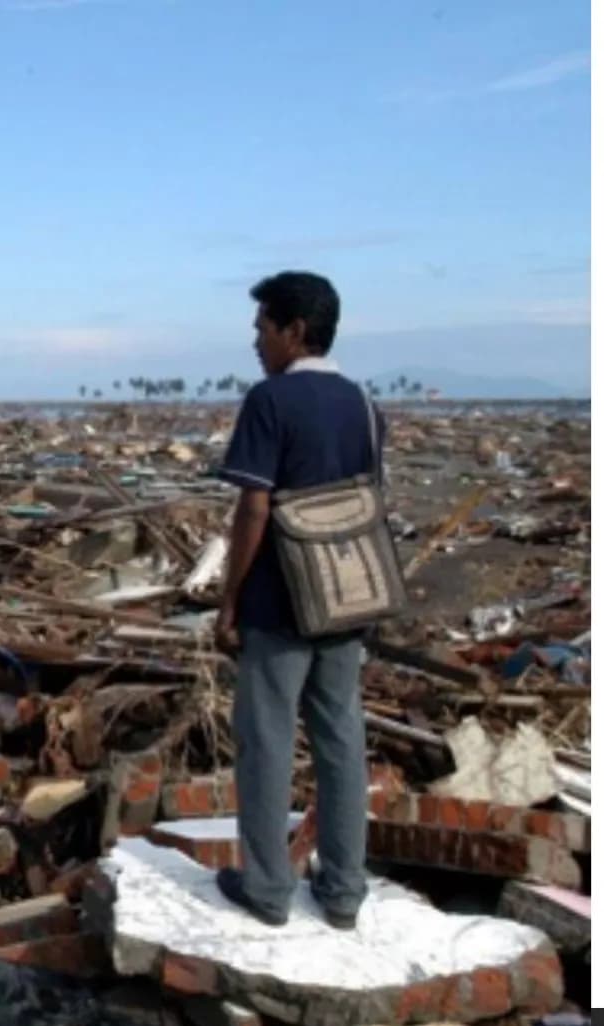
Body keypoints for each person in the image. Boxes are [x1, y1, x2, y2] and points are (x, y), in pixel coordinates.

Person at [212, 270, 384, 930]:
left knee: (267, 740)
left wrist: (230, 601)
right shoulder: (365, 405)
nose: (255, 342)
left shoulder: (270, 401)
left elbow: (254, 507)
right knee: (342, 738)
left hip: (279, 603)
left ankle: (267, 887)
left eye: (263, 328)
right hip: (348, 598)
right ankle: (343, 893)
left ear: (295, 331)